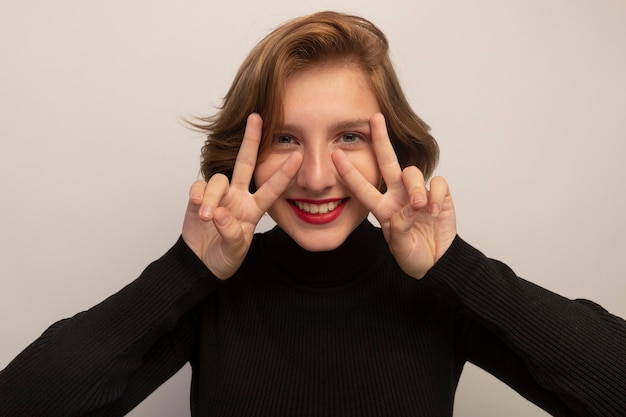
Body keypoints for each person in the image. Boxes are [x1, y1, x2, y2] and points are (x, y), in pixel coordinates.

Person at [0, 10, 624, 417]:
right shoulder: (213, 290)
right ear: (245, 152)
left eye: (349, 137)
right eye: (285, 138)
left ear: (391, 154)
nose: (318, 176)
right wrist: (187, 270)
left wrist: (455, 266)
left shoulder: (440, 290)